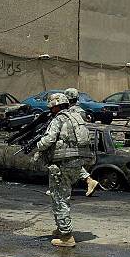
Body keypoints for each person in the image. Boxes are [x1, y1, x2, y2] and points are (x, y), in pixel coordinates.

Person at [35, 93, 93, 247]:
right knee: (64, 196)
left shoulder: (59, 119)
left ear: (55, 106)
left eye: (52, 107)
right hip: (77, 162)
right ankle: (61, 229)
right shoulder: (76, 117)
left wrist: (38, 145)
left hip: (62, 164)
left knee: (59, 198)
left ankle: (66, 236)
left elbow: (49, 139)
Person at [63, 88, 100, 197]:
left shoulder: (70, 112)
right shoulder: (81, 111)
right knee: (71, 164)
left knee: (67, 163)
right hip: (82, 141)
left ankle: (89, 180)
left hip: (72, 142)